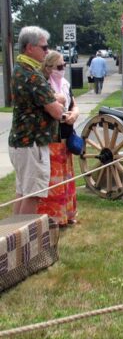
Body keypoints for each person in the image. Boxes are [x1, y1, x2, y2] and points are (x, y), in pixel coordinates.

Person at [8, 26, 65, 215]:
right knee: (33, 194)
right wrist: (59, 100)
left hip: (21, 141)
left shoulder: (19, 69)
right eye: (44, 47)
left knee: (23, 192)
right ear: (30, 48)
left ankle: (12, 240)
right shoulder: (32, 75)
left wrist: (53, 99)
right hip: (32, 143)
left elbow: (47, 100)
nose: (47, 51)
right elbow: (56, 112)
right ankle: (23, 241)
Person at [37, 51, 79, 226]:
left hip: (66, 136)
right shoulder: (43, 86)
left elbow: (74, 103)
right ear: (48, 68)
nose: (63, 69)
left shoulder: (65, 84)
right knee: (53, 180)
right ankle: (54, 218)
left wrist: (74, 114)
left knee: (67, 177)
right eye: (60, 66)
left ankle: (68, 214)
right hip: (50, 138)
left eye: (64, 65)